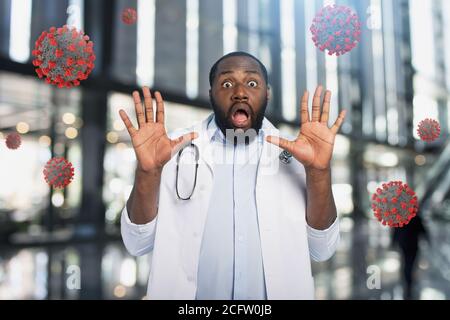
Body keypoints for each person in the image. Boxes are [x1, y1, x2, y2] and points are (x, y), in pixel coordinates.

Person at [119, 51, 347, 299]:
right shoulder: (172, 151)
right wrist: (147, 173)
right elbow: (137, 243)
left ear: (267, 93)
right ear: (211, 95)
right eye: (227, 84)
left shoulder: (296, 157)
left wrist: (318, 171)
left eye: (252, 83)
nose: (239, 92)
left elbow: (322, 249)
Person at [392, 214, 429, 300]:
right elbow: (423, 229)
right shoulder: (416, 217)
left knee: (405, 261)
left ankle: (406, 277)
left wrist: (393, 242)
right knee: (411, 262)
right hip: (413, 244)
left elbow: (396, 230)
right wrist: (427, 239)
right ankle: (408, 278)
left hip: (404, 244)